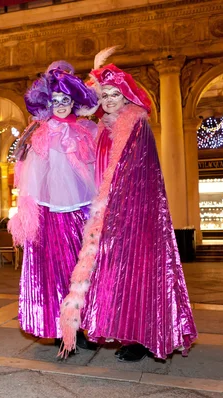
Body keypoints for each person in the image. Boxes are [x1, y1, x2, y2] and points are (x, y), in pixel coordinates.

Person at [59, 57, 197, 361]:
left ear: (126, 97)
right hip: (103, 214)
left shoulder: (136, 125)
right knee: (107, 275)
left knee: (137, 274)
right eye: (104, 95)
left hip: (132, 216)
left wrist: (119, 212)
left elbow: (140, 175)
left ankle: (140, 338)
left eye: (115, 95)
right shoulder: (101, 128)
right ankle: (107, 328)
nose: (109, 101)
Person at [8, 61, 99, 342]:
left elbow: (98, 169)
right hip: (52, 215)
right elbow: (31, 179)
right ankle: (62, 330)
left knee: (84, 270)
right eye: (56, 100)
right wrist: (28, 213)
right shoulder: (41, 133)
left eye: (66, 100)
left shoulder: (87, 130)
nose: (60, 105)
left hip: (84, 213)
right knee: (57, 271)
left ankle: (82, 326)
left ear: (74, 101)